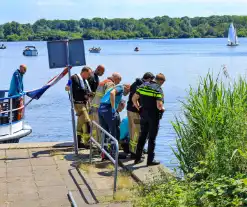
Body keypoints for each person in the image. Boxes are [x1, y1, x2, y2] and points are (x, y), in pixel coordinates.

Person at [132, 73, 166, 166]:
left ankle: (137, 158)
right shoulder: (158, 89)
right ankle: (150, 160)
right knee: (152, 138)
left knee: (142, 136)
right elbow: (159, 105)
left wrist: (138, 107)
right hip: (153, 116)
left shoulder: (143, 85)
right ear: (161, 81)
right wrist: (163, 108)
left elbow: (134, 98)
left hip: (143, 114)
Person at [127, 72, 155, 158]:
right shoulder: (141, 86)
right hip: (135, 112)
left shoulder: (135, 83)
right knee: (137, 131)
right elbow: (137, 99)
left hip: (129, 110)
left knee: (132, 131)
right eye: (151, 80)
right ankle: (135, 152)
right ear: (149, 79)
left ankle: (132, 150)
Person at [90, 73, 122, 142]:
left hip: (96, 107)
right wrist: (113, 107)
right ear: (116, 79)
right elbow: (110, 95)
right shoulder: (110, 84)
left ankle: (100, 148)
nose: (117, 84)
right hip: (103, 108)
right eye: (118, 82)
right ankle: (104, 148)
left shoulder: (103, 82)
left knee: (98, 129)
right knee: (106, 130)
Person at [66, 66, 92, 148]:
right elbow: (67, 86)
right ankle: (87, 143)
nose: (89, 76)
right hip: (78, 104)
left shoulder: (85, 81)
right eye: (88, 74)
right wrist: (68, 86)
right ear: (84, 72)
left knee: (80, 124)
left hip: (85, 103)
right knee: (88, 122)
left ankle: (79, 142)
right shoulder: (74, 77)